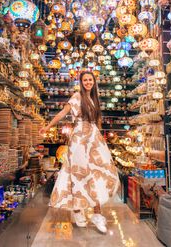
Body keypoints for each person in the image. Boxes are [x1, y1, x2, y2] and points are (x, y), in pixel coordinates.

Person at [40, 71, 120, 233]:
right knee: (77, 173)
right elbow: (63, 113)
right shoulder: (77, 96)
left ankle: (97, 214)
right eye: (85, 80)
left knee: (98, 172)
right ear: (81, 82)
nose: (88, 82)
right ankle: (78, 210)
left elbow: (97, 121)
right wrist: (48, 126)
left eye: (90, 80)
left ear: (94, 82)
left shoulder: (94, 98)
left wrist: (100, 138)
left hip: (93, 138)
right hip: (79, 139)